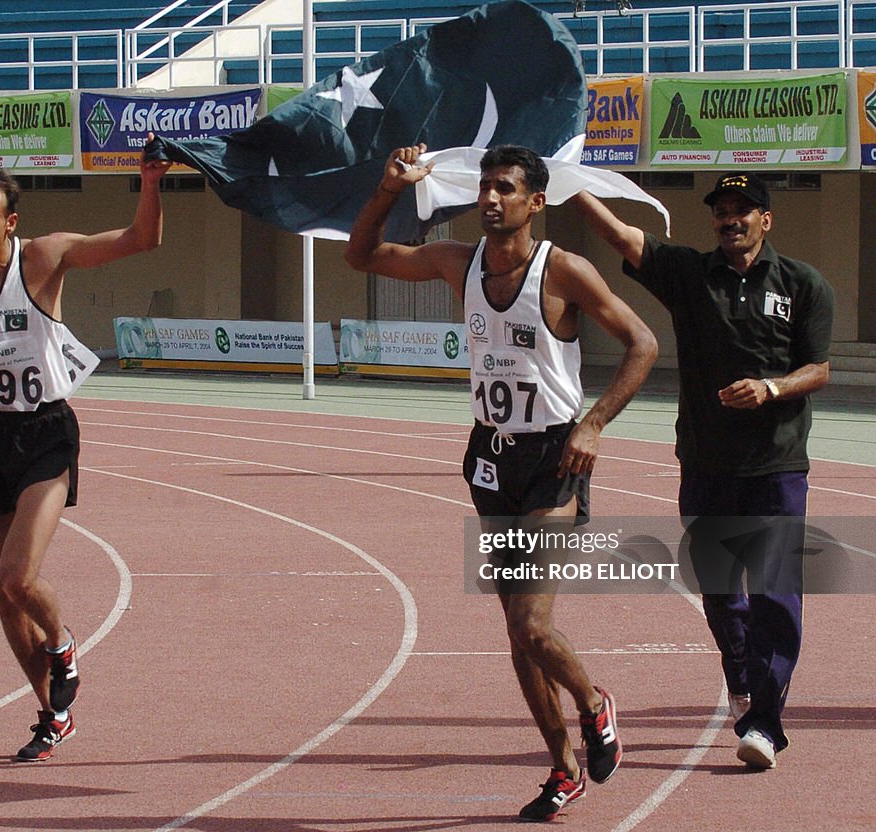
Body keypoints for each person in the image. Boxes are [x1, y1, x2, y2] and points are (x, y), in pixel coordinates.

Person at [345, 144, 657, 821]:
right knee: (515, 635)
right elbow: (361, 256)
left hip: (552, 457)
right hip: (490, 456)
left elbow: (643, 343)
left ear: (535, 202)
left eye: (506, 188)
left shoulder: (563, 271)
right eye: (485, 186)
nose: (490, 198)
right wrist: (386, 190)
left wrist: (594, 423)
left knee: (532, 626)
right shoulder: (457, 261)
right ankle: (562, 767)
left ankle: (595, 705)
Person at [0, 136, 171, 762]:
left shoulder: (44, 259)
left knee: (19, 575)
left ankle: (62, 642)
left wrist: (151, 184)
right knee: (2, 588)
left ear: (10, 222)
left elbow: (140, 241)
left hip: (44, 430)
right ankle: (52, 714)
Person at [572, 173, 834, 770]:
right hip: (706, 463)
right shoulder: (690, 274)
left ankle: (764, 721)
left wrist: (771, 388)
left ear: (766, 220)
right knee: (719, 591)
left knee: (777, 594)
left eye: (744, 210)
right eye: (722, 211)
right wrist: (565, 181)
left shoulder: (802, 284)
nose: (731, 219)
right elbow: (619, 236)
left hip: (777, 465)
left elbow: (817, 368)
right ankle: (739, 667)